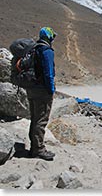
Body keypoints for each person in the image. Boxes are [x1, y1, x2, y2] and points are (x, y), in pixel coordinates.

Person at [26, 27, 57, 161]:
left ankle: (34, 147)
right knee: (41, 120)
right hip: (42, 91)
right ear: (49, 37)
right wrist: (51, 90)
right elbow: (48, 73)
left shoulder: (34, 49)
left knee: (34, 118)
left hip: (31, 89)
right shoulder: (47, 51)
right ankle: (38, 149)